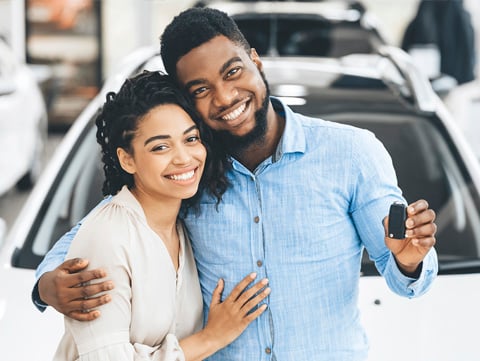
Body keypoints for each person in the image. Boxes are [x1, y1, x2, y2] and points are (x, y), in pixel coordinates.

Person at [33, 7, 438, 361]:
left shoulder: (352, 153)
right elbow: (103, 228)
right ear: (188, 101)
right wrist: (49, 283)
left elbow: (405, 279)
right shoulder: (186, 171)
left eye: (233, 72)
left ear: (256, 61)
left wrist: (408, 259)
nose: (225, 97)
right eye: (201, 90)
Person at [51, 70, 270, 360]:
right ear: (127, 159)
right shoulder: (108, 237)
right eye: (161, 146)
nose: (183, 158)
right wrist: (210, 338)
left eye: (191, 139)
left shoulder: (184, 227)